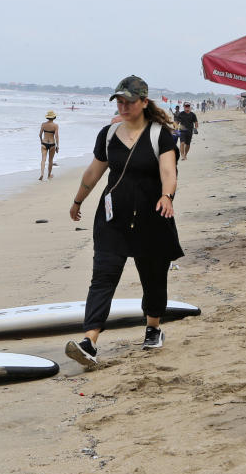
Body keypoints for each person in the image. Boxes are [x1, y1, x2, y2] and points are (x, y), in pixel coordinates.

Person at [65, 75, 183, 369]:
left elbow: (169, 172)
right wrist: (78, 200)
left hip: (152, 220)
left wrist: (167, 196)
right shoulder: (108, 134)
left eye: (129, 101)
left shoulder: (160, 135)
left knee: (153, 278)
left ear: (143, 102)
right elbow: (94, 173)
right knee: (103, 277)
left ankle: (153, 327)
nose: (124, 105)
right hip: (112, 220)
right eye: (119, 101)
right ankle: (89, 340)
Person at [39, 110, 59, 180]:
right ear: (54, 117)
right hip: (52, 144)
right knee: (50, 160)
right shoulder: (55, 125)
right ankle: (49, 175)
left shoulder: (43, 124)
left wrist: (41, 141)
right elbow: (56, 136)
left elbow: (40, 134)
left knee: (43, 160)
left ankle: (42, 174)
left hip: (44, 143)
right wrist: (57, 146)